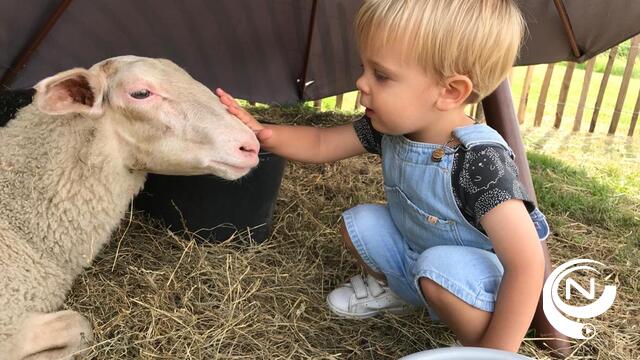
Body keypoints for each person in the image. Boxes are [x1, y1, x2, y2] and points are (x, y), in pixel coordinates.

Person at [216, 0, 549, 353]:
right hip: (417, 251)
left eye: (382, 75)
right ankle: (402, 291)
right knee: (358, 223)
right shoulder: (390, 127)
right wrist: (263, 132)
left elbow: (526, 265)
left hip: (472, 282)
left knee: (440, 266)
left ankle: (474, 344)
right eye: (365, 68)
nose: (360, 82)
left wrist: (496, 353)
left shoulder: (479, 163)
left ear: (449, 91)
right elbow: (321, 143)